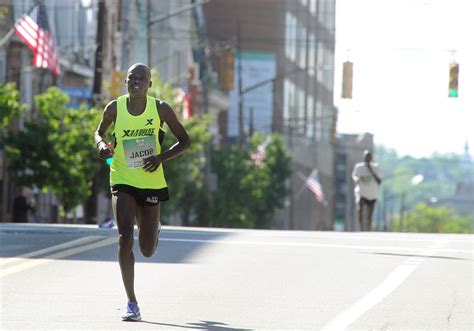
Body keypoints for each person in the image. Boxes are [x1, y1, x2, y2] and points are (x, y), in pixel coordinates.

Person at [94, 63, 190, 321]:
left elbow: (185, 141)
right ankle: (132, 302)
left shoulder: (160, 109)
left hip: (151, 181)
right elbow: (99, 132)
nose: (136, 81)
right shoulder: (114, 108)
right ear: (126, 82)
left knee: (147, 249)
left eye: (141, 78)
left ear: (149, 84)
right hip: (122, 176)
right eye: (131, 78)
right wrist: (102, 145)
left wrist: (161, 157)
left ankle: (153, 227)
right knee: (125, 236)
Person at [352, 150, 382, 231]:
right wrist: (357, 179)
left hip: (372, 194)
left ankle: (368, 227)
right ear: (364, 158)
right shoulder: (359, 167)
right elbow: (354, 176)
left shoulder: (376, 167)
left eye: (369, 157)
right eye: (366, 157)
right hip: (361, 192)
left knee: (369, 213)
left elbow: (379, 182)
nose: (367, 159)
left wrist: (371, 170)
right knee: (360, 207)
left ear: (371, 158)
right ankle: (361, 227)